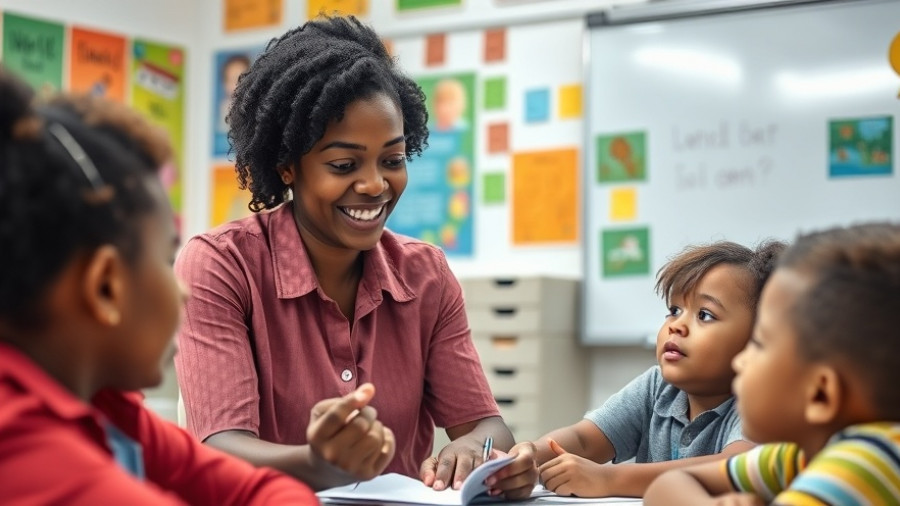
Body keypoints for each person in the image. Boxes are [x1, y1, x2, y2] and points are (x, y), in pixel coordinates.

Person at [174, 15, 537, 498]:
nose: (374, 185)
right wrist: (319, 464)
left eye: (393, 159)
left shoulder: (425, 274)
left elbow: (487, 425)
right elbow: (220, 448)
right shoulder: (222, 266)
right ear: (287, 167)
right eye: (344, 165)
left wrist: (476, 449)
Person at [0, 67, 317, 504]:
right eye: (167, 259)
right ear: (105, 286)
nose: (182, 290)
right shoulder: (24, 451)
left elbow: (259, 489)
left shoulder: (107, 406)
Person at [494, 240, 785, 498]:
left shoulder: (757, 402)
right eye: (674, 310)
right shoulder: (657, 387)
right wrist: (530, 454)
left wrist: (609, 478)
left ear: (759, 339)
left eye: (705, 315)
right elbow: (584, 439)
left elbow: (735, 468)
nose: (676, 325)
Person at [645, 223, 900, 505]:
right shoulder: (795, 456)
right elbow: (669, 484)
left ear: (820, 393)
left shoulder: (862, 468)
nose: (740, 361)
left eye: (759, 344)